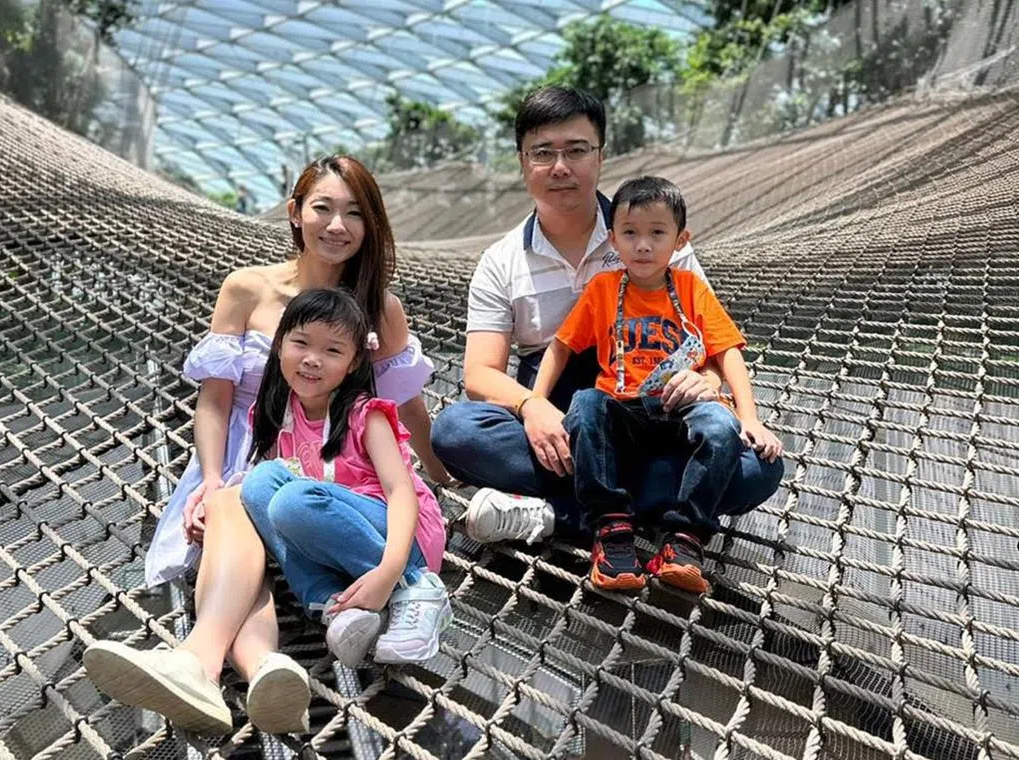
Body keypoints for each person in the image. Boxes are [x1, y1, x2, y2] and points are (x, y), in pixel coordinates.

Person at [83, 156, 449, 737]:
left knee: (242, 504)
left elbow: (404, 404)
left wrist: (438, 467)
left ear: (372, 225)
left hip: (331, 465)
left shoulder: (379, 307)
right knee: (229, 500)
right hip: (240, 452)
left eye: (355, 213)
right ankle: (263, 669)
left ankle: (199, 663)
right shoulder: (247, 288)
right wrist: (206, 478)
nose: (337, 225)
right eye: (323, 207)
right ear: (295, 213)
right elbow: (215, 401)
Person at [430, 86, 783, 547]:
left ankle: (558, 514)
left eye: (577, 150)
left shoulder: (650, 233)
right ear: (522, 162)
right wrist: (532, 407)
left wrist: (710, 382)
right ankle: (638, 510)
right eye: (543, 153)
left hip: (656, 411)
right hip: (561, 424)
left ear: (600, 156)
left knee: (760, 467)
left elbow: (709, 339)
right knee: (456, 430)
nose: (561, 167)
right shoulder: (502, 261)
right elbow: (480, 372)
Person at [534, 176, 782, 594]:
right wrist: (537, 403)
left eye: (657, 233)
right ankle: (612, 530)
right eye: (630, 233)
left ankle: (683, 540)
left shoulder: (690, 289)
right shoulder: (603, 289)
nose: (643, 245)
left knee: (724, 429)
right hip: (623, 412)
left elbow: (728, 352)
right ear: (613, 239)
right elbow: (560, 347)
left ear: (681, 239)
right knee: (586, 403)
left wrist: (749, 418)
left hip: (680, 409)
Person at [239, 288, 450, 672]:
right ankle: (335, 604)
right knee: (257, 484)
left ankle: (416, 588)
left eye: (333, 351)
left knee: (292, 502)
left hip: (401, 540)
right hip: (340, 550)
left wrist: (391, 571)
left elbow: (401, 492)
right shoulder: (274, 415)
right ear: (280, 344)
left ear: (354, 363)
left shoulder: (365, 415)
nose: (312, 360)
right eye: (300, 343)